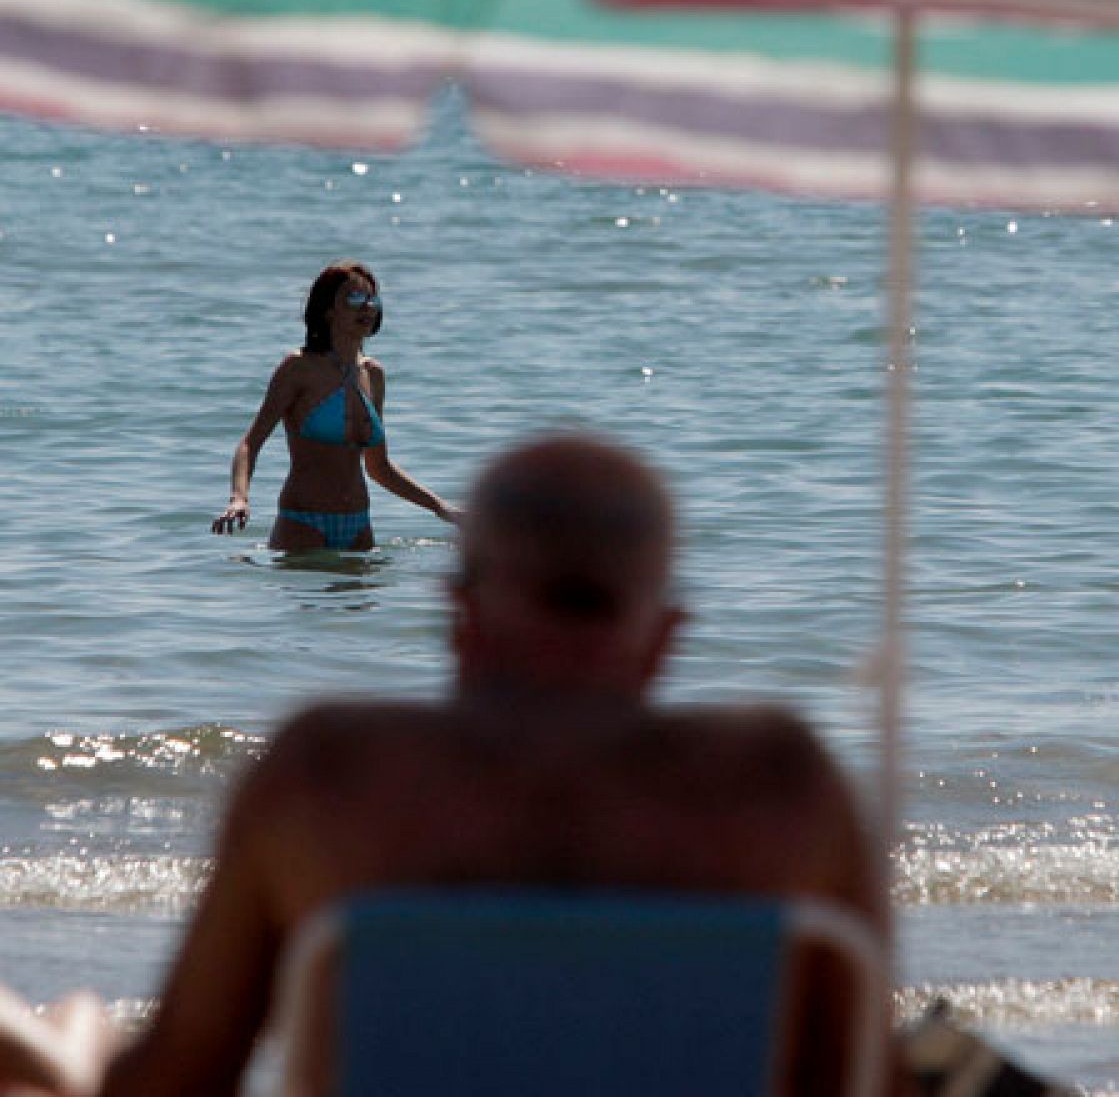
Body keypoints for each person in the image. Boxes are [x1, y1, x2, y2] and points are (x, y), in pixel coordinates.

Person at [5, 434, 888, 1095]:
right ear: (664, 637)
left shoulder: (333, 775)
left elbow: (186, 1079)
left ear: (459, 616)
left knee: (61, 1035)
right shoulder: (783, 787)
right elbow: (859, 1080)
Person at [211, 260, 459, 550]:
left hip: (359, 527)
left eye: (372, 299)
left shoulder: (373, 374)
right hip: (303, 523)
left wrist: (441, 508)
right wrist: (239, 497)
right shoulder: (298, 368)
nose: (367, 307)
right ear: (328, 310)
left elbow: (379, 467)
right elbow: (250, 443)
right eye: (354, 298)